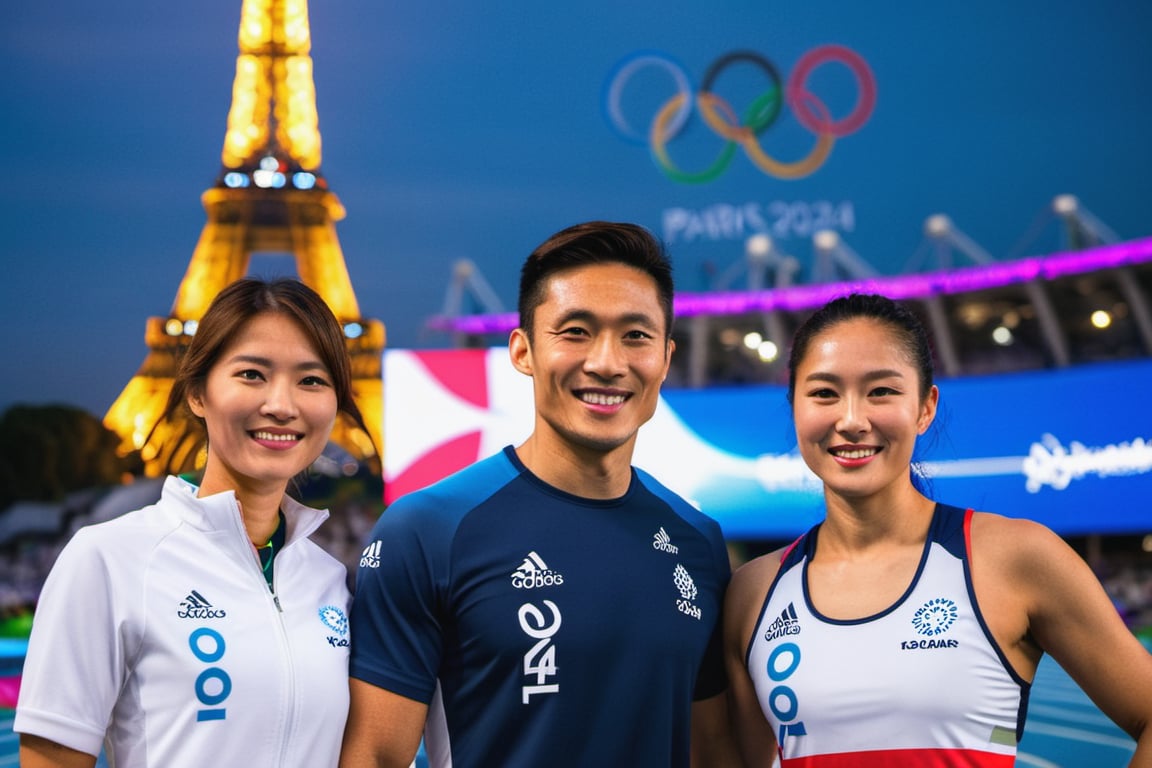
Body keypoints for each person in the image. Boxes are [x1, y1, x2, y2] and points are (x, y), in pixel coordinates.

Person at [340, 221, 736, 767]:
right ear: (523, 351)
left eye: (636, 336)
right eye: (575, 331)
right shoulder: (428, 530)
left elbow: (714, 754)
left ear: (665, 359)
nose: (606, 362)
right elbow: (377, 757)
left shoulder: (699, 542)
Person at [724, 293, 1152, 766]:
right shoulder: (753, 592)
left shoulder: (1014, 557)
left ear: (926, 407)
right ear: (795, 408)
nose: (851, 420)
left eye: (881, 391)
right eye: (824, 392)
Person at [16, 277, 370, 768]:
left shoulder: (330, 582)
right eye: (251, 374)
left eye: (311, 380)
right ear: (197, 394)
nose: (281, 405)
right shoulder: (109, 559)